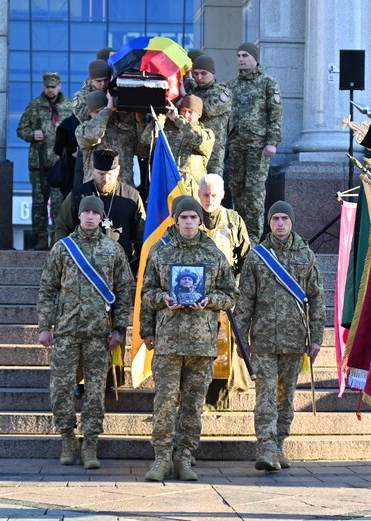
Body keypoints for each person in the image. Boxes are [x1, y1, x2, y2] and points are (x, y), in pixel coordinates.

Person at [140, 196, 238, 482]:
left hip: (201, 344)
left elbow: (231, 295)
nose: (188, 222)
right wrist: (161, 302)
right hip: (169, 341)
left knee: (194, 405)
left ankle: (184, 458)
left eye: (193, 218)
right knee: (166, 403)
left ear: (200, 220)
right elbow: (146, 293)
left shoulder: (213, 253)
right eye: (183, 217)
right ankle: (161, 459)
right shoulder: (160, 251)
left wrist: (209, 300)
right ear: (175, 219)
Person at [37, 195, 132, 470]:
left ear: (101, 218)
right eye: (86, 212)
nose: (90, 217)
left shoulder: (112, 250)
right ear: (78, 216)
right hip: (66, 331)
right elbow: (47, 289)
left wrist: (119, 328)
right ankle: (68, 439)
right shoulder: (62, 249)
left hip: (98, 334)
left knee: (94, 393)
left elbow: (124, 291)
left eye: (95, 213)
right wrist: (45, 326)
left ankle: (90, 443)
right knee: (61, 390)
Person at [235, 201, 325, 471]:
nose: (280, 223)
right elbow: (245, 299)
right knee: (265, 395)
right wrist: (242, 338)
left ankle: (280, 443)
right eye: (275, 219)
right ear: (269, 223)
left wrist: (317, 337)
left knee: (286, 397)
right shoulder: (257, 256)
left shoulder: (306, 255)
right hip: (263, 339)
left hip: (295, 339)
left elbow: (317, 299)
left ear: (292, 222)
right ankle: (266, 448)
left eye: (285, 218)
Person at [196, 174, 252, 411]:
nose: (209, 199)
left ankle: (218, 400)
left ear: (222, 195)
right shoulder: (190, 217)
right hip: (194, 299)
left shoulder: (233, 219)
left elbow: (245, 258)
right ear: (198, 195)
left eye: (214, 195)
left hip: (224, 299)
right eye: (205, 195)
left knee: (223, 350)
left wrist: (237, 290)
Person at [227, 42, 283, 243]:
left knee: (254, 194)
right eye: (238, 55)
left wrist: (272, 142)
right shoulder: (232, 85)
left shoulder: (268, 83)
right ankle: (239, 236)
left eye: (245, 55)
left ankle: (253, 239)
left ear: (255, 58)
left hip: (258, 148)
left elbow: (275, 115)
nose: (240, 59)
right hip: (236, 146)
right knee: (237, 191)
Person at [54, 148, 145, 271]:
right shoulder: (78, 195)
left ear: (118, 171)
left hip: (121, 268)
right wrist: (63, 258)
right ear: (93, 170)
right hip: (84, 267)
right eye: (101, 174)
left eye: (110, 174)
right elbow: (63, 227)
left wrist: (141, 265)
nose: (106, 179)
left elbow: (141, 234)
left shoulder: (131, 196)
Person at [16, 72, 74, 250]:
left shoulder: (69, 107)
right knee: (39, 203)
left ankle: (57, 238)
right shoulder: (35, 106)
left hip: (60, 164)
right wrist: (31, 135)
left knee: (59, 204)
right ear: (43, 87)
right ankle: (41, 238)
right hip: (38, 164)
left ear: (59, 86)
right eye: (47, 87)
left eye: (53, 87)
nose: (50, 90)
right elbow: (21, 129)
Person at [139, 96, 215, 197]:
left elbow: (198, 139)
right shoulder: (169, 131)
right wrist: (161, 116)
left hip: (189, 193)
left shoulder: (207, 134)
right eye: (183, 111)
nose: (185, 115)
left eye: (190, 112)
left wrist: (177, 119)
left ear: (199, 115)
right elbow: (147, 139)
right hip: (166, 189)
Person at [75, 90, 138, 186]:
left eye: (103, 110)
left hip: (123, 189)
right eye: (97, 112)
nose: (102, 114)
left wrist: (141, 121)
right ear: (90, 113)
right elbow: (94, 135)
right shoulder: (83, 130)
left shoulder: (124, 129)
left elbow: (143, 151)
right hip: (95, 189)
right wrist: (107, 110)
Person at [186, 55, 232, 177]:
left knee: (211, 191)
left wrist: (184, 96)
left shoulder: (222, 92)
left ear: (213, 73)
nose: (199, 77)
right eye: (195, 74)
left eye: (203, 73)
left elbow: (205, 109)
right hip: (191, 152)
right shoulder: (192, 89)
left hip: (213, 154)